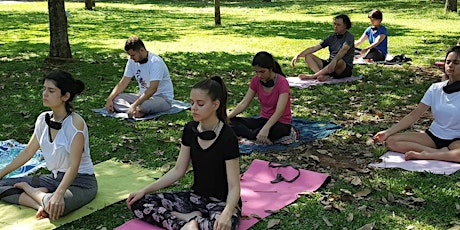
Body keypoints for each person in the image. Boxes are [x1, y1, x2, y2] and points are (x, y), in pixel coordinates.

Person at [126, 76, 241, 230]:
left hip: (221, 203)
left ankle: (189, 222)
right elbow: (178, 170)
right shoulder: (190, 130)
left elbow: (234, 186)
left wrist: (227, 213)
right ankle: (187, 223)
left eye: (200, 104)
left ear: (215, 104)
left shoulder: (227, 136)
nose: (194, 108)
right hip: (194, 198)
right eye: (191, 102)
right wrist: (144, 190)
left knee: (221, 227)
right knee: (140, 203)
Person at [0, 70, 97, 220]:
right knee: (2, 185)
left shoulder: (75, 124)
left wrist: (58, 194)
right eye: (44, 89)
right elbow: (28, 152)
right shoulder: (42, 120)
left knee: (59, 206)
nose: (45, 93)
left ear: (65, 96)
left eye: (51, 90)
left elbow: (74, 165)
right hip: (53, 179)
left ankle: (34, 192)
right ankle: (40, 204)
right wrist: (1, 173)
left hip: (80, 183)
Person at [373, 46, 460, 162]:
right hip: (433, 136)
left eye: (456, 62)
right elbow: (414, 115)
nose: (450, 65)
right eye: (448, 62)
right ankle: (438, 153)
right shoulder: (436, 88)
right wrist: (387, 132)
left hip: (456, 139)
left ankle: (427, 155)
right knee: (391, 141)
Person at [228, 51, 292, 144]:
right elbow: (244, 103)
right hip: (263, 120)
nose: (259, 75)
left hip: (280, 123)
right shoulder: (255, 81)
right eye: (257, 72)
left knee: (274, 131)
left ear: (271, 69)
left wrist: (265, 129)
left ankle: (253, 135)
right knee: (232, 122)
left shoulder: (282, 82)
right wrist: (227, 118)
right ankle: (256, 136)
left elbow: (279, 111)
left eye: (262, 72)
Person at [105, 35, 174, 118]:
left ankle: (136, 109)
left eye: (133, 55)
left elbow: (153, 89)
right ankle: (134, 111)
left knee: (144, 106)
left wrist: (135, 105)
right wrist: (109, 99)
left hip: (161, 98)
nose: (131, 58)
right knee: (116, 99)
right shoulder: (131, 61)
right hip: (141, 97)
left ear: (141, 50)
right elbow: (123, 82)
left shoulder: (155, 62)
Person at [291, 14, 354, 81]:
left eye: (338, 25)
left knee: (339, 61)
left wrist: (334, 61)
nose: (335, 27)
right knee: (308, 56)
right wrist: (298, 55)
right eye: (334, 24)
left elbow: (343, 51)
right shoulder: (331, 37)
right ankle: (322, 75)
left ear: (345, 26)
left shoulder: (349, 37)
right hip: (330, 64)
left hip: (342, 68)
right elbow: (315, 48)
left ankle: (313, 76)